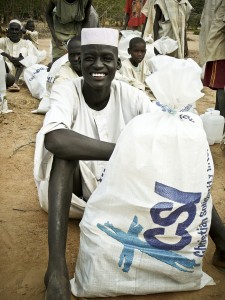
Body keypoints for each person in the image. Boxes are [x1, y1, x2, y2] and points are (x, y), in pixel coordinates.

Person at [34, 27, 158, 299]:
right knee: (65, 155)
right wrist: (123, 152)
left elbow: (161, 134)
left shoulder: (132, 96)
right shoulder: (67, 91)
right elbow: (54, 139)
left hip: (118, 195)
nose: (98, 66)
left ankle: (220, 239)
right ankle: (55, 268)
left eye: (106, 58)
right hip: (73, 195)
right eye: (89, 58)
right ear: (78, 61)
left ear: (117, 63)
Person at [0, 19, 45, 92]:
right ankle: (10, 81)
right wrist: (7, 55)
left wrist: (21, 60)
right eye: (12, 29)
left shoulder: (27, 43)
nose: (14, 32)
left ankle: (16, 81)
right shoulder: (3, 41)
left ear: (20, 32)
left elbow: (33, 58)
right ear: (8, 31)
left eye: (16, 29)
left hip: (22, 73)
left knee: (23, 50)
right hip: (7, 71)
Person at [200, 0, 225, 119]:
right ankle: (222, 118)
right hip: (220, 49)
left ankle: (219, 116)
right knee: (221, 84)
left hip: (220, 48)